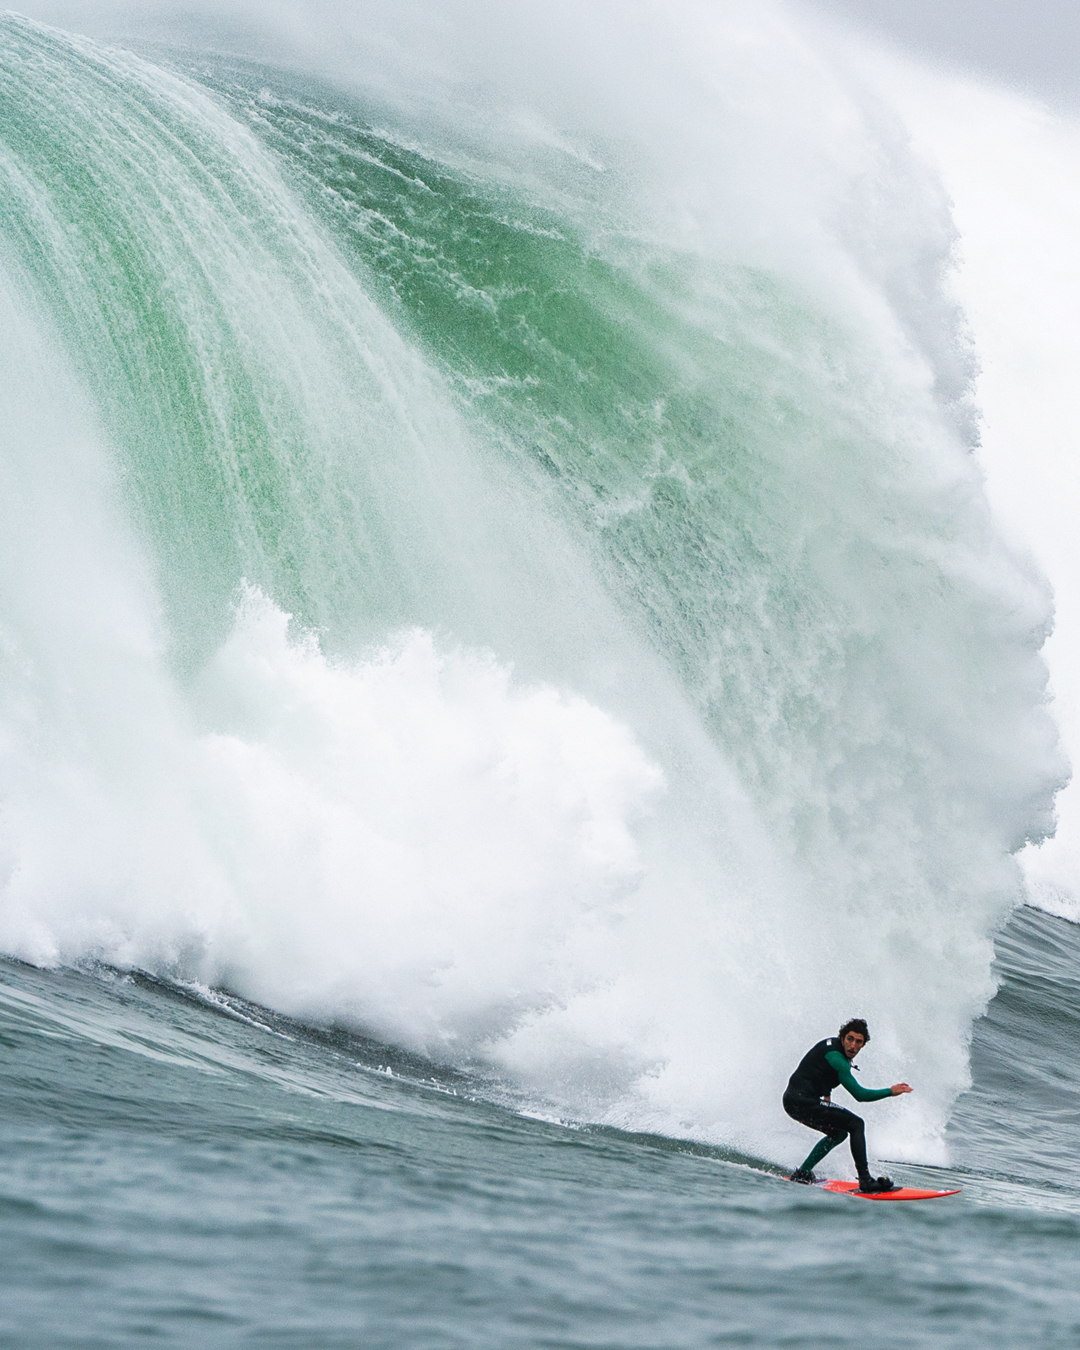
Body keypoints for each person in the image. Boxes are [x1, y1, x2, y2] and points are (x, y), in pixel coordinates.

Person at [783, 1018, 912, 1193]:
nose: (852, 1046)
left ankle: (803, 1173)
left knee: (838, 1133)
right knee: (856, 1124)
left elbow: (818, 1070)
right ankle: (865, 1181)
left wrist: (826, 1096)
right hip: (801, 1101)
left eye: (858, 1042)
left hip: (795, 1101)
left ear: (863, 1045)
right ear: (842, 1037)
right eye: (850, 1039)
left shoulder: (833, 1049)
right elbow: (860, 1095)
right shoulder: (838, 1059)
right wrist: (891, 1091)